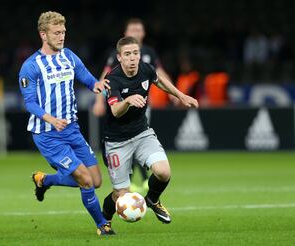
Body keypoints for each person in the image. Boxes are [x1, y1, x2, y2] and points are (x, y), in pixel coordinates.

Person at [18, 11, 115, 236]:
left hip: (71, 129)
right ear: (43, 34)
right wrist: (51, 119)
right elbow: (30, 103)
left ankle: (45, 180)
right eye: (56, 33)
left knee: (96, 181)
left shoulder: (69, 56)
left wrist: (96, 85)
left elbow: (87, 77)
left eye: (63, 32)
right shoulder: (30, 66)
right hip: (48, 134)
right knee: (84, 179)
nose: (61, 37)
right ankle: (102, 225)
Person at [101, 36, 198, 225]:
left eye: (135, 53)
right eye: (127, 54)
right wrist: (127, 101)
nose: (132, 58)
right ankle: (104, 220)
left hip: (141, 133)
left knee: (163, 172)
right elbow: (115, 111)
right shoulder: (111, 79)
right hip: (117, 141)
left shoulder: (145, 68)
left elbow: (158, 81)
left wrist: (181, 95)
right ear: (119, 57)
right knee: (120, 195)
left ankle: (152, 199)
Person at [92, 18, 173, 193]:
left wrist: (176, 94)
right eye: (132, 30)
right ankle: (130, 180)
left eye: (139, 30)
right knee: (126, 139)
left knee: (139, 138)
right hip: (120, 105)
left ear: (143, 33)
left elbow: (159, 73)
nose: (136, 33)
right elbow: (104, 76)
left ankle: (141, 180)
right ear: (126, 33)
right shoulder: (118, 55)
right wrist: (99, 100)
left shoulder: (149, 53)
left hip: (143, 106)